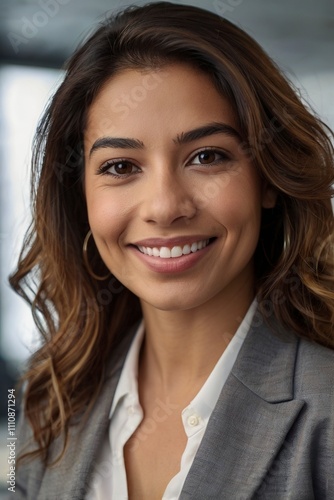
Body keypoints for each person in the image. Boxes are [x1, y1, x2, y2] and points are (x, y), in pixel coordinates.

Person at [10, 2, 334, 499]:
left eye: (207, 157)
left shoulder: (325, 412)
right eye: (120, 166)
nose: (165, 207)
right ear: (81, 196)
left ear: (267, 178)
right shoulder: (45, 402)